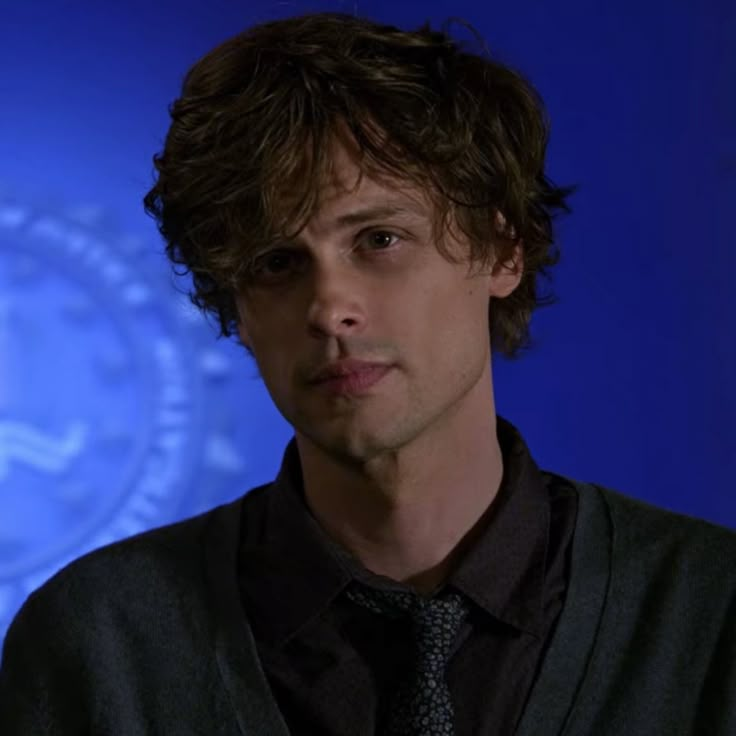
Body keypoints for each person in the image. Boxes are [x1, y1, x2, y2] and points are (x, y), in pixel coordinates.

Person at [1, 11, 734, 736]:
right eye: (277, 263)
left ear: (503, 253)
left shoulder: (711, 611)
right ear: (236, 309)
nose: (328, 308)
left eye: (379, 239)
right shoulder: (100, 641)